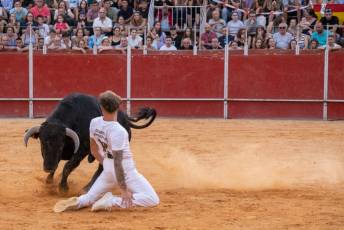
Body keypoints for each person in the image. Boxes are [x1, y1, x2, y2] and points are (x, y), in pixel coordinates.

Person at [53, 91, 159, 212]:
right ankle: (112, 201)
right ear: (118, 107)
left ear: (101, 107)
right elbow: (118, 164)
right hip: (125, 170)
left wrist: (108, 165)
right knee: (152, 199)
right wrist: (124, 190)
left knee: (89, 198)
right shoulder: (119, 131)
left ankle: (80, 202)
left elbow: (94, 150)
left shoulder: (94, 122)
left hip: (107, 167)